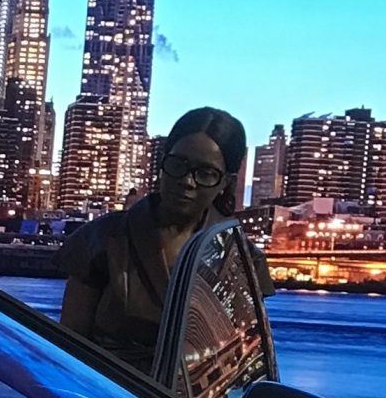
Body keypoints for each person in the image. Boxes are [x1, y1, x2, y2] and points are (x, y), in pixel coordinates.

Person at [57, 108, 248, 371]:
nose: (187, 181)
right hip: (106, 388)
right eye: (178, 164)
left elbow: (243, 359)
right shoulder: (101, 238)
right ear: (161, 163)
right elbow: (68, 348)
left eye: (205, 173)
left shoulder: (239, 256)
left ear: (227, 181)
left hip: (194, 396)